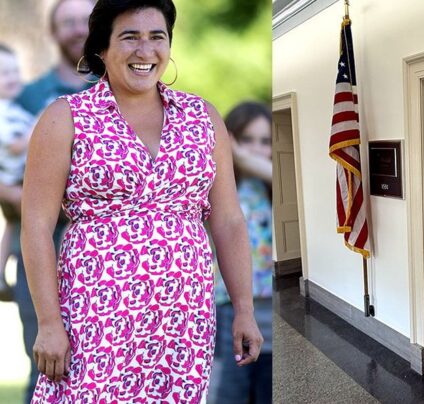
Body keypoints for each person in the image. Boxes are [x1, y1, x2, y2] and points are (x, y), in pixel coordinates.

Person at [20, 1, 262, 402]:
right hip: (95, 310)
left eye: (157, 37)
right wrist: (49, 322)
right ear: (101, 47)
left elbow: (229, 220)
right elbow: (36, 225)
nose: (145, 50)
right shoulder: (65, 118)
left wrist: (244, 309)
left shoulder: (202, 117)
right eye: (129, 37)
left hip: (182, 314)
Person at [1, 2, 95, 401]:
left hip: (105, 259)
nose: (76, 30)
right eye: (66, 22)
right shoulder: (28, 97)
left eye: (84, 21)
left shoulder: (126, 88)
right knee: (44, 364)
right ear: (54, 33)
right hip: (39, 249)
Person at [211, 101, 273, 404]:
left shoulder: (271, 184)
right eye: (247, 140)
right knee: (231, 391)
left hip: (270, 309)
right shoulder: (219, 186)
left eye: (265, 141)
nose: (256, 149)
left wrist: (242, 155)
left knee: (265, 389)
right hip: (230, 307)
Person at [0, 44, 33, 303]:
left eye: (14, 71)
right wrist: (37, 127)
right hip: (13, 181)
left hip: (16, 178)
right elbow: (15, 145)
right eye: (4, 73)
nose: (12, 78)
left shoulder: (12, 107)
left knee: (12, 227)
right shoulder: (2, 114)